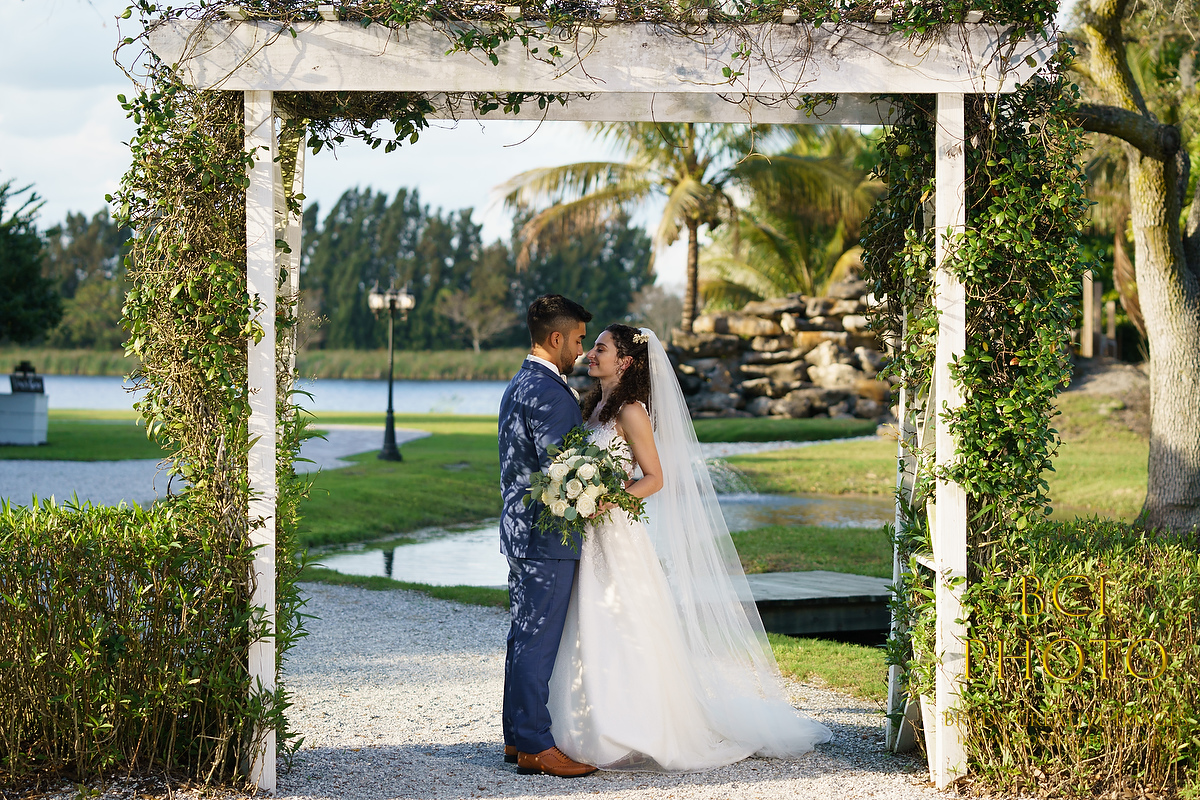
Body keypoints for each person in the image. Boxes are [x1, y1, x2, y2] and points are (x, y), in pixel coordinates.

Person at [546, 323, 833, 771]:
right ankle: (589, 721)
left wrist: (609, 498)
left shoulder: (631, 411)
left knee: (625, 620)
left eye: (601, 348)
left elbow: (656, 478)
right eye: (593, 347)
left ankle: (638, 727)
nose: (591, 354)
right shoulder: (593, 405)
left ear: (625, 361)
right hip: (589, 532)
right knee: (588, 618)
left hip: (616, 533)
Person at [497, 294, 598, 778]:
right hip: (546, 536)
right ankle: (536, 744)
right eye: (577, 340)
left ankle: (517, 737)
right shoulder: (553, 394)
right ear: (555, 338)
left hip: (519, 531)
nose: (581, 350)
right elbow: (564, 472)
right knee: (536, 642)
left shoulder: (520, 383)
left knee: (523, 635)